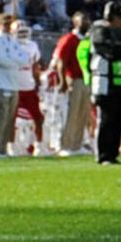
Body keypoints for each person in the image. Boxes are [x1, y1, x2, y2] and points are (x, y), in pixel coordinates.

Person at [81, 12, 121, 165]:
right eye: (120, 17)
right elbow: (109, 52)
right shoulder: (99, 32)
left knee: (119, 120)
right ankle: (103, 154)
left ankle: (113, 153)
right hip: (105, 80)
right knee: (106, 118)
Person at [0, 14, 40, 157]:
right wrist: (15, 62)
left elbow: (26, 59)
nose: (8, 27)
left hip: (14, 84)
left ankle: (1, 148)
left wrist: (13, 61)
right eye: (5, 24)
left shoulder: (13, 41)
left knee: (8, 119)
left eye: (9, 24)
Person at [49, 14, 93, 156]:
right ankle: (65, 145)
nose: (87, 23)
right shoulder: (68, 39)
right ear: (75, 23)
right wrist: (62, 81)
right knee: (70, 114)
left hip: (86, 79)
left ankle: (76, 144)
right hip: (73, 78)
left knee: (83, 114)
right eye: (83, 21)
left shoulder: (86, 40)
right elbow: (61, 61)